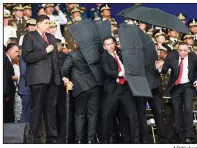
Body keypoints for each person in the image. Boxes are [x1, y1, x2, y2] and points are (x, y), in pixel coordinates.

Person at [22, 15, 62, 143]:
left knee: (51, 109)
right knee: (37, 110)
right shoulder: (30, 36)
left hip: (52, 79)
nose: (48, 25)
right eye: (46, 23)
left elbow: (56, 59)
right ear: (38, 24)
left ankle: (52, 138)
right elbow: (27, 57)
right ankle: (36, 139)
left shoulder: (51, 37)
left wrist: (60, 76)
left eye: (49, 23)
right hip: (38, 79)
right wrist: (45, 51)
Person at [100, 36, 139, 144]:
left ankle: (135, 139)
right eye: (108, 44)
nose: (111, 46)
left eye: (112, 43)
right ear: (104, 47)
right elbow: (107, 71)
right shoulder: (104, 57)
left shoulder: (122, 53)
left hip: (125, 88)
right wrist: (119, 73)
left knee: (132, 114)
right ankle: (105, 139)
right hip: (113, 89)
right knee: (106, 113)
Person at [155, 42, 197, 143]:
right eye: (180, 50)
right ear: (177, 50)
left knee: (187, 108)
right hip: (176, 86)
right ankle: (180, 135)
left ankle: (189, 135)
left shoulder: (193, 57)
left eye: (185, 50)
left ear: (188, 50)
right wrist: (160, 67)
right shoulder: (171, 56)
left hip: (188, 85)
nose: (182, 52)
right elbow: (164, 70)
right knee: (177, 110)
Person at [61, 41, 102, 144]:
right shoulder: (94, 54)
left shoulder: (73, 54)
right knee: (93, 114)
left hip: (79, 88)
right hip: (94, 86)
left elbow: (65, 68)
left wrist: (67, 78)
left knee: (80, 114)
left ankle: (79, 139)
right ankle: (90, 139)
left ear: (76, 45)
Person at [4, 43, 20, 123]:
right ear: (10, 51)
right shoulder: (5, 60)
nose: (18, 54)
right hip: (6, 94)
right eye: (16, 51)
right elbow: (4, 76)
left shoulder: (8, 60)